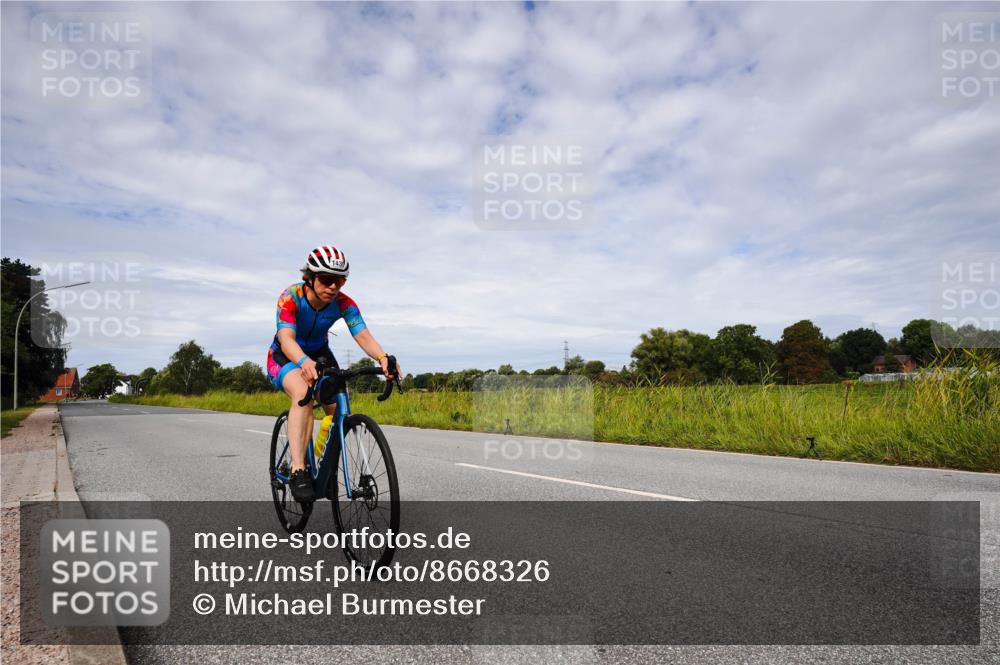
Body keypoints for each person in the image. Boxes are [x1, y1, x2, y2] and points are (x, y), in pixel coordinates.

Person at [267, 244, 400, 502]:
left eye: (339, 281)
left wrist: (383, 357)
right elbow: (286, 338)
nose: (333, 287)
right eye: (326, 279)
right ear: (310, 277)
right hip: (285, 355)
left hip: (320, 354)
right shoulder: (290, 297)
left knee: (339, 404)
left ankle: (325, 466)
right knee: (303, 393)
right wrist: (303, 361)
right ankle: (298, 469)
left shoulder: (343, 303)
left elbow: (362, 334)